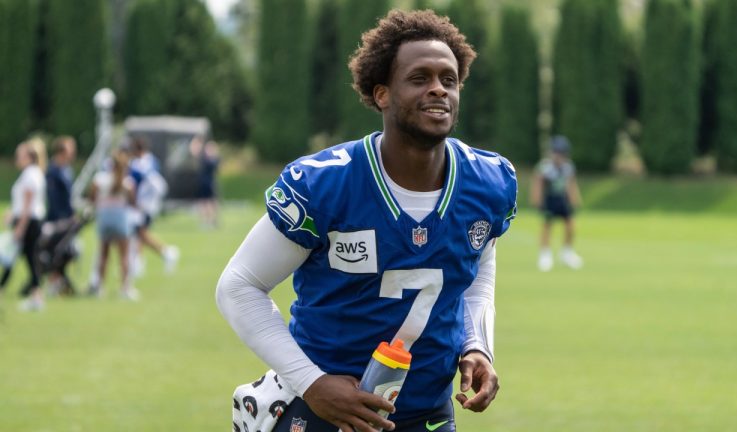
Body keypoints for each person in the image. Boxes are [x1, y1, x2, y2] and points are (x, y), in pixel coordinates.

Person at [217, 9, 517, 432]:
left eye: (449, 80)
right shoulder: (326, 182)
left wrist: (477, 347)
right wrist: (313, 384)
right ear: (382, 94)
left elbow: (475, 272)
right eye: (420, 78)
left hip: (427, 415)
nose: (438, 90)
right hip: (323, 413)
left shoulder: (488, 182)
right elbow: (238, 286)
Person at [88, 150, 139, 300]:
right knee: (124, 255)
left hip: (104, 218)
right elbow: (133, 202)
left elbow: (91, 198)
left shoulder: (99, 179)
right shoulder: (127, 182)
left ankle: (99, 287)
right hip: (120, 219)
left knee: (103, 255)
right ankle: (125, 287)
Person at [530, 135, 583, 272]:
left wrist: (575, 199)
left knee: (570, 225)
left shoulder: (568, 167)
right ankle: (545, 255)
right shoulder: (545, 167)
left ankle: (567, 252)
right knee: (547, 226)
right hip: (549, 199)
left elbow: (571, 184)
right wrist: (537, 200)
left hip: (562, 199)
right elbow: (538, 184)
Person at [5, 139, 47, 311]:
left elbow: (28, 205)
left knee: (29, 258)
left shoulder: (31, 174)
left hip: (29, 223)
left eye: (20, 155)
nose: (17, 158)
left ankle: (37, 295)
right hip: (27, 221)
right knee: (17, 257)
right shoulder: (29, 173)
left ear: (29, 157)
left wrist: (20, 226)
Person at [127, 136, 179, 275]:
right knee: (138, 234)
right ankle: (137, 263)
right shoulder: (152, 160)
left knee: (140, 233)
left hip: (144, 205)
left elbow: (137, 182)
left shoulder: (139, 164)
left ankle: (167, 253)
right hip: (150, 204)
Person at [44, 135, 77, 295]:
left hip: (68, 218)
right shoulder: (52, 171)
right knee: (56, 251)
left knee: (68, 251)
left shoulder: (67, 170)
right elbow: (53, 198)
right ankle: (54, 281)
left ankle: (58, 280)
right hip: (57, 219)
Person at [190, 137, 220, 228]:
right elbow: (193, 151)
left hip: (208, 183)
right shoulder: (204, 158)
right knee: (204, 202)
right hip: (203, 183)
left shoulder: (212, 160)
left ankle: (211, 221)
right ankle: (206, 222)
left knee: (210, 203)